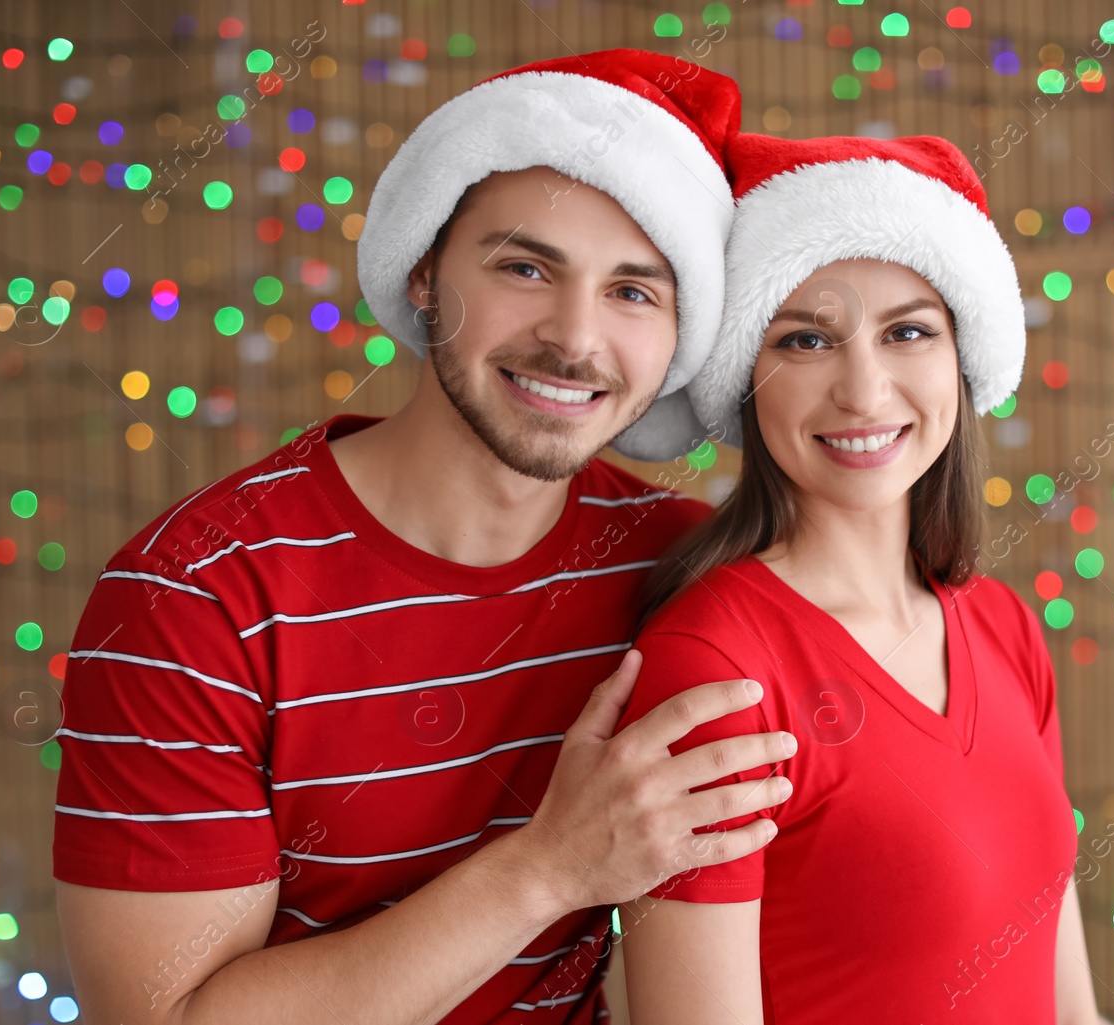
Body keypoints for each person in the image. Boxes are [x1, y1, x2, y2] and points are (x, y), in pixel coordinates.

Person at [52, 51, 795, 1025]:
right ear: (424, 270)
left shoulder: (683, 571)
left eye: (633, 291)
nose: (574, 338)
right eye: (525, 267)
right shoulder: (193, 593)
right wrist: (550, 867)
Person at [612, 132, 1113, 1023]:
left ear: (961, 358)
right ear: (746, 377)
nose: (864, 391)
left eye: (908, 331)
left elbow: (1070, 1006)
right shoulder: (714, 664)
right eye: (806, 339)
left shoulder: (1003, 626)